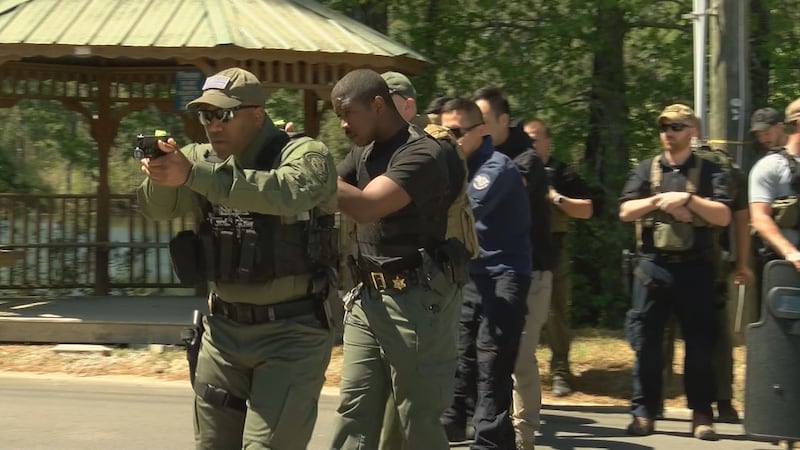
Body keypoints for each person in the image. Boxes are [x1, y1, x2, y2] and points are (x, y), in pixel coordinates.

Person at [137, 67, 338, 450]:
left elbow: (285, 193)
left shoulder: (304, 153)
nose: (213, 124)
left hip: (291, 332)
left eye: (224, 114)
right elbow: (155, 209)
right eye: (205, 115)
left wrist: (195, 174)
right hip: (223, 331)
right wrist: (160, 175)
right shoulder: (199, 159)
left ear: (257, 114)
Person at [329, 69, 464, 450]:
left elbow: (366, 206)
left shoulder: (422, 153)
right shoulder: (363, 151)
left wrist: (310, 168)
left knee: (417, 422)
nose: (342, 124)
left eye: (347, 113)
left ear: (376, 105)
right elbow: (331, 188)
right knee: (353, 413)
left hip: (417, 303)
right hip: (368, 299)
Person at [619, 104, 731, 441]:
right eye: (664, 127)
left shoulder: (710, 171)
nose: (669, 133)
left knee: (699, 347)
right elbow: (625, 210)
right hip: (653, 268)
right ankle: (644, 413)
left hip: (696, 269)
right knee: (646, 346)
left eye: (677, 127)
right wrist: (659, 201)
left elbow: (724, 216)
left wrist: (688, 199)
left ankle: (701, 415)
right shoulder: (646, 169)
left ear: (692, 130)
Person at [377, 71, 476, 450]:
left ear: (408, 105)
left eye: (385, 104)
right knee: (390, 395)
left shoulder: (436, 148)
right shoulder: (381, 146)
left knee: (415, 400)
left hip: (426, 286)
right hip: (389, 287)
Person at [439, 98, 532, 449]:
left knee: (492, 357)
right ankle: (458, 425)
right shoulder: (454, 164)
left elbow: (465, 209)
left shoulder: (497, 168)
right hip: (472, 275)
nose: (451, 138)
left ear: (481, 130)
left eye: (458, 132)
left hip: (504, 274)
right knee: (462, 354)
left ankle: (490, 440)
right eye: (445, 131)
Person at [471, 87, 553, 450]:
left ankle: (524, 433)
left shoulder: (524, 160)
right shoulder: (479, 154)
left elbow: (483, 199)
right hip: (486, 270)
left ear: (503, 120)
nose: (477, 128)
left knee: (516, 354)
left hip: (529, 270)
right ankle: (493, 426)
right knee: (485, 351)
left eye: (483, 121)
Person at [523, 118, 594, 398]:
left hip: (553, 251)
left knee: (556, 314)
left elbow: (587, 209)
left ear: (547, 141)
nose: (531, 143)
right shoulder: (512, 168)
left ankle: (560, 370)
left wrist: (555, 198)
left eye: (536, 138)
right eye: (526, 138)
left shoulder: (562, 172)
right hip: (518, 248)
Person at [750, 97, 800, 273]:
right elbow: (759, 217)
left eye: (766, 132)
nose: (763, 138)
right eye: (759, 134)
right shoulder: (769, 166)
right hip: (788, 266)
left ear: (779, 127)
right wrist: (791, 253)